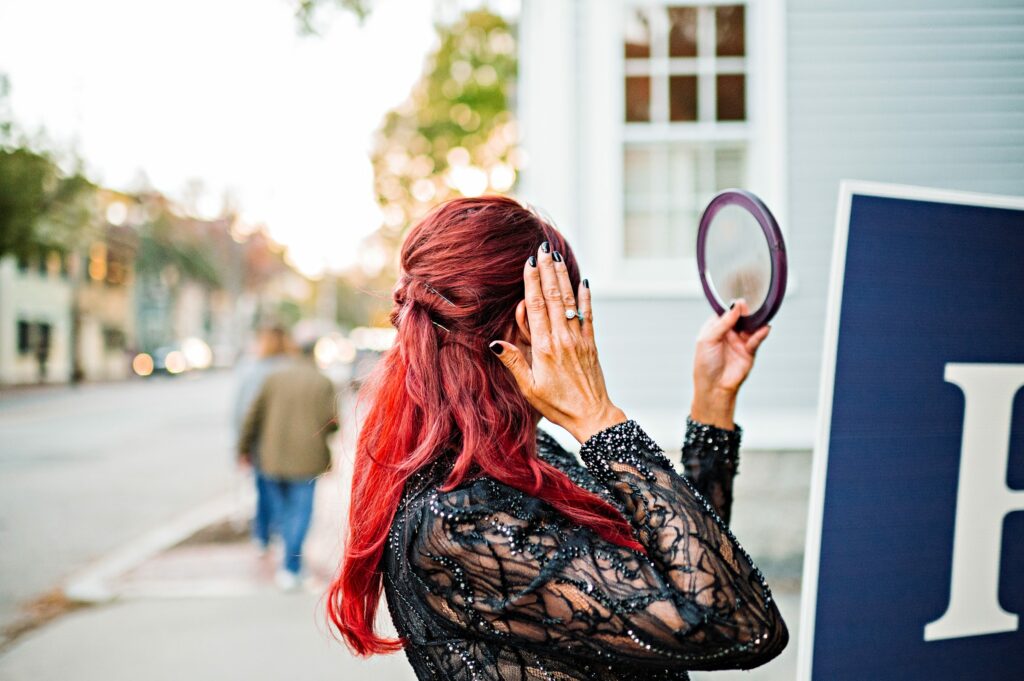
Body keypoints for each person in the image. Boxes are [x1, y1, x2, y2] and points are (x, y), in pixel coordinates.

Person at [327, 196, 788, 679]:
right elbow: (739, 626)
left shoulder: (525, 456)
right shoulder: (459, 517)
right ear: (531, 322)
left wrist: (711, 408)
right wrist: (597, 417)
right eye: (572, 313)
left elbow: (682, 574)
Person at [238, 338, 338, 591]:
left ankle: (290, 561)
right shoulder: (323, 382)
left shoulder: (274, 378)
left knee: (283, 513)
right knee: (301, 514)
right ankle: (291, 568)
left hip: (272, 458)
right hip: (307, 459)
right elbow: (333, 423)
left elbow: (253, 415)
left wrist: (244, 448)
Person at [232, 325, 291, 553]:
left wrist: (242, 447)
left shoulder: (253, 371)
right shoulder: (291, 368)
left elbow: (243, 412)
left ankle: (263, 536)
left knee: (265, 491)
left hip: (260, 444)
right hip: (286, 443)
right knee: (283, 492)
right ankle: (278, 534)